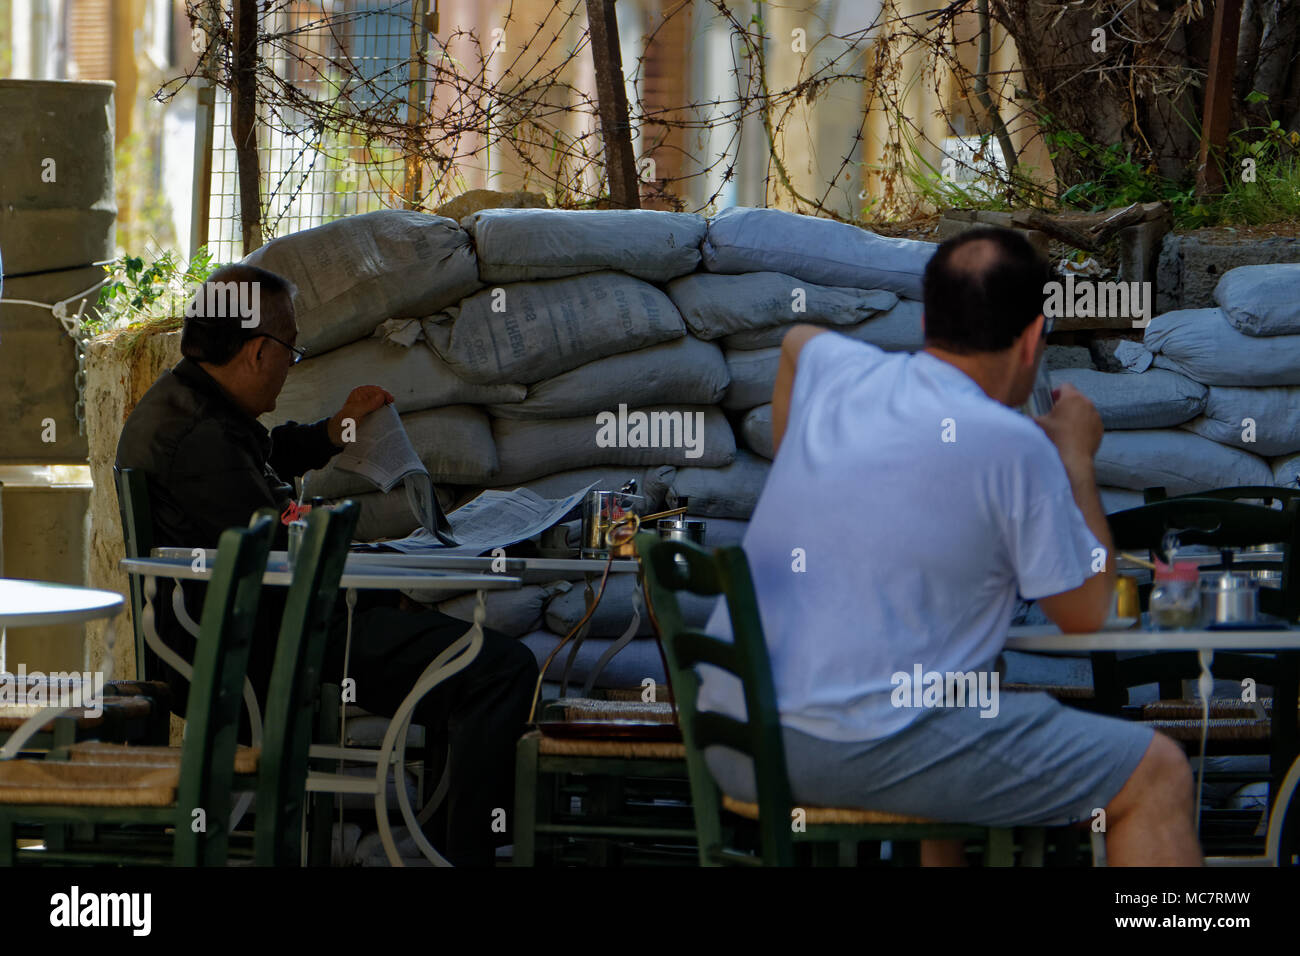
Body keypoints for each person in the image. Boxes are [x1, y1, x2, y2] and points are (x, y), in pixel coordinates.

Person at [696, 227, 1202, 866]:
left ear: (930, 318)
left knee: (964, 685)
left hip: (734, 734)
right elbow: (1087, 615)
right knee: (1155, 771)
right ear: (1031, 341)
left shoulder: (841, 372)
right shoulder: (1013, 444)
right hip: (845, 747)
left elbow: (797, 344)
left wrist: (824, 483)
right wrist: (1074, 459)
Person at [116, 263, 538, 866]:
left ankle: (446, 844)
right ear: (260, 351)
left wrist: (336, 432)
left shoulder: (191, 403)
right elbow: (287, 548)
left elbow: (266, 456)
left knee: (467, 668)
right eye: (291, 349)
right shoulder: (199, 437)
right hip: (266, 647)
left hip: (250, 629)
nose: (292, 363)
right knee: (495, 668)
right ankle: (461, 854)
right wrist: (377, 581)